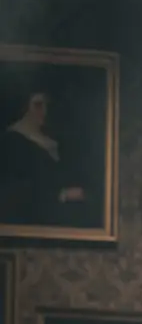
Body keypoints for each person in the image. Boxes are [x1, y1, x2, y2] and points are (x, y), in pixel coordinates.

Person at [0, 90, 86, 227]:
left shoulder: (52, 138)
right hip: (31, 221)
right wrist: (62, 195)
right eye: (38, 105)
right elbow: (17, 191)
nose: (44, 111)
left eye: (46, 105)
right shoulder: (12, 141)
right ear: (24, 107)